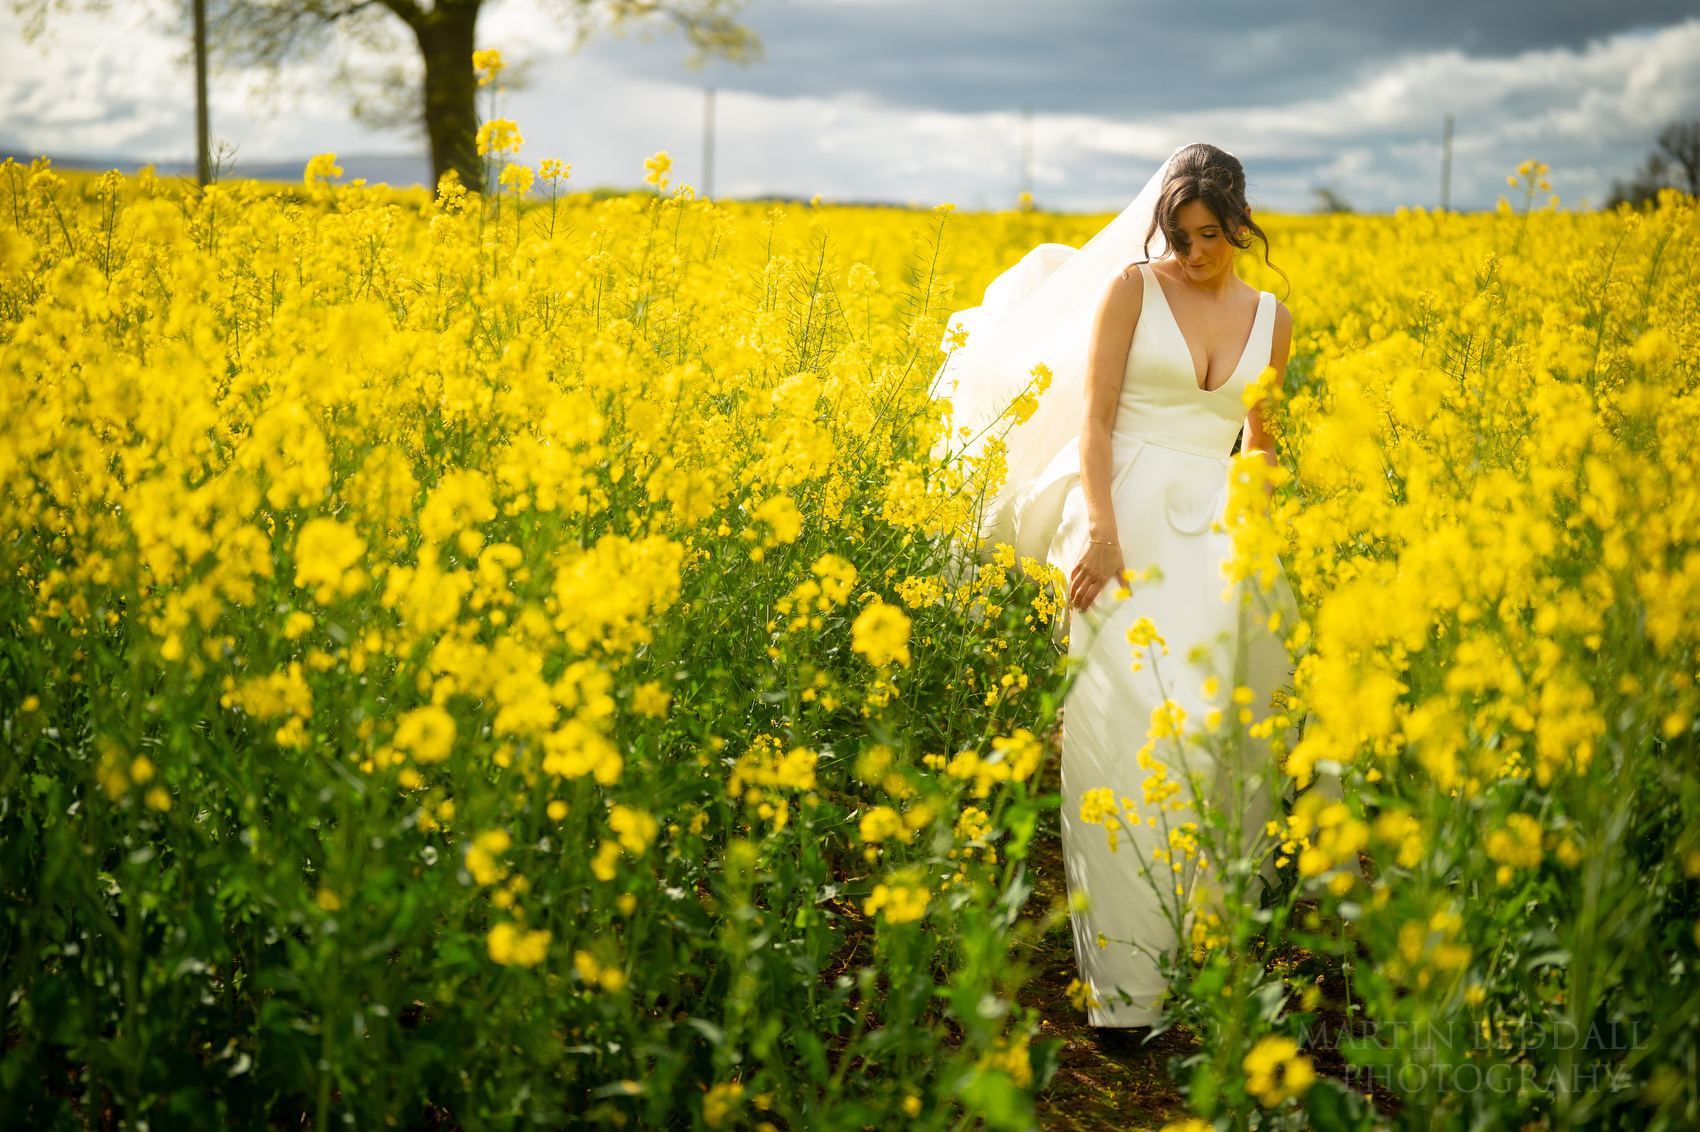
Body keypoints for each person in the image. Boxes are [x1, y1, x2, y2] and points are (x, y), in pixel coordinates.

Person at [937, 143, 1297, 1033]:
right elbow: (1094, 419)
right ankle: (1127, 991)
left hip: (1218, 529)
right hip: (1121, 510)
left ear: (1240, 226)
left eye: (1210, 235)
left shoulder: (1272, 317)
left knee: (1222, 734)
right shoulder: (1133, 289)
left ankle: (1203, 950)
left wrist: (1260, 531)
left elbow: (1260, 440)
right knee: (1126, 736)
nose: (1193, 252)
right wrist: (1098, 533)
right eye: (1178, 234)